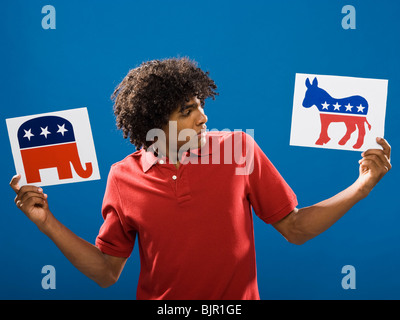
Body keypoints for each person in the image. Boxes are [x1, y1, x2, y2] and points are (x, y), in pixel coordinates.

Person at [10, 57, 392, 300]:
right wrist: (47, 223)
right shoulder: (122, 177)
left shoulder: (240, 150)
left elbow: (294, 227)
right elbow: (108, 272)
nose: (203, 117)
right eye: (187, 110)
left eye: (201, 105)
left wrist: (362, 186)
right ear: (155, 123)